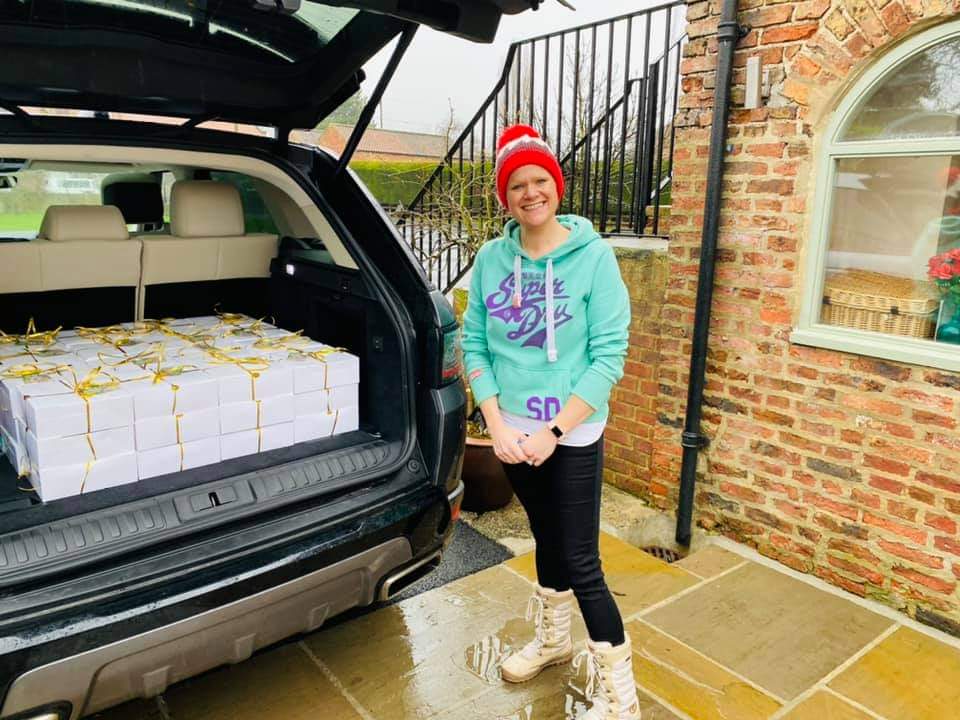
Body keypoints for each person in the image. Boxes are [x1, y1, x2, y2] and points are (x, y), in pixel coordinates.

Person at [461, 124, 637, 720]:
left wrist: (553, 431)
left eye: (540, 180)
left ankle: (621, 698)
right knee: (546, 540)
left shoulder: (594, 258)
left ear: (557, 187)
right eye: (517, 185)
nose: (530, 193)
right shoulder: (491, 260)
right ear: (504, 197)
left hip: (571, 432)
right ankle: (555, 642)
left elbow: (609, 357)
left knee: (582, 560)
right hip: (513, 433)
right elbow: (475, 343)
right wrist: (495, 423)